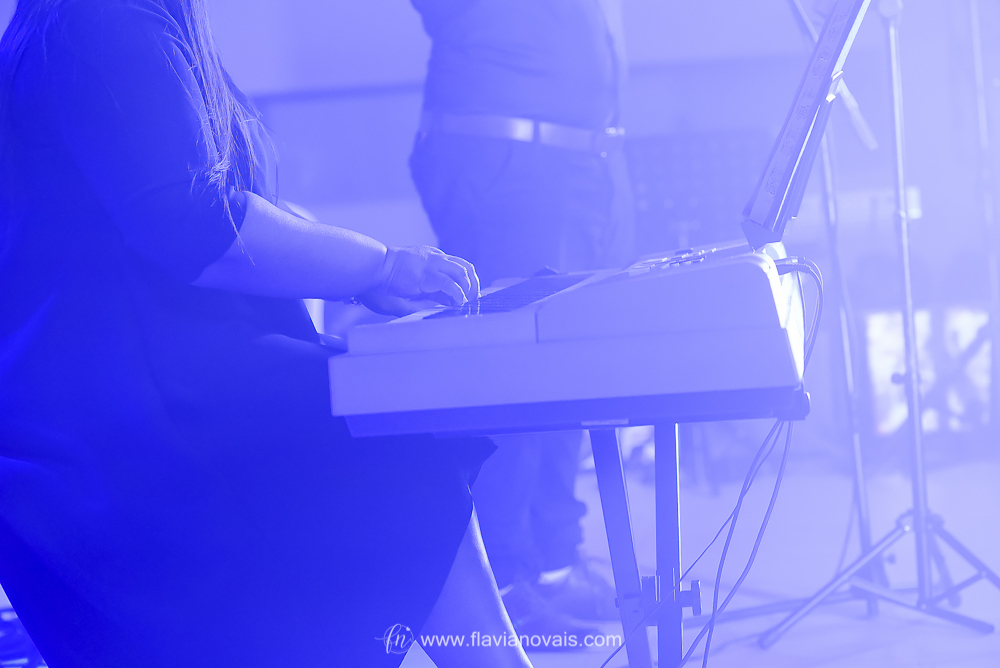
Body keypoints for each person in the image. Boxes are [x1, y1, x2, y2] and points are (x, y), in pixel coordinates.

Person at [0, 1, 534, 666]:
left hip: (108, 401)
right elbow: (198, 229)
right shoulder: (106, 21)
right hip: (134, 424)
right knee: (385, 438)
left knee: (379, 430)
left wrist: (361, 270)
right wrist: (379, 266)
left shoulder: (88, 22)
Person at [408, 0, 633, 638]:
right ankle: (502, 584)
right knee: (516, 371)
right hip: (505, 155)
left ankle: (554, 561)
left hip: (580, 160)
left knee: (572, 365)